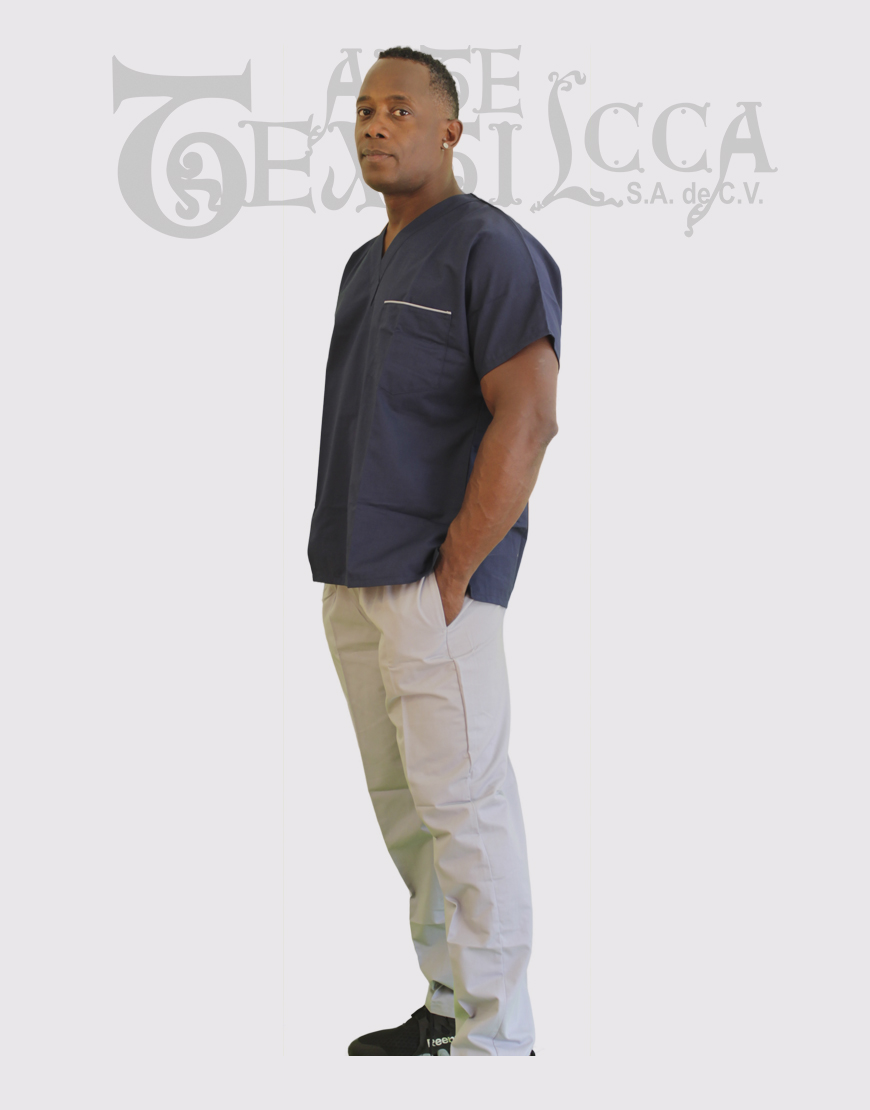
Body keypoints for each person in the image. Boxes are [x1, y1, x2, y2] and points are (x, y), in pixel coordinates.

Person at [308, 46, 561, 1056]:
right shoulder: (362, 265)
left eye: (401, 110)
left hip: (433, 584)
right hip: (353, 577)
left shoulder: (490, 249)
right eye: (365, 109)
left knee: (465, 810)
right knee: (405, 808)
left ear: (449, 131)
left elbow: (528, 418)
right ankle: (448, 1007)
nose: (376, 124)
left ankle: (497, 1044)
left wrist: (455, 571)